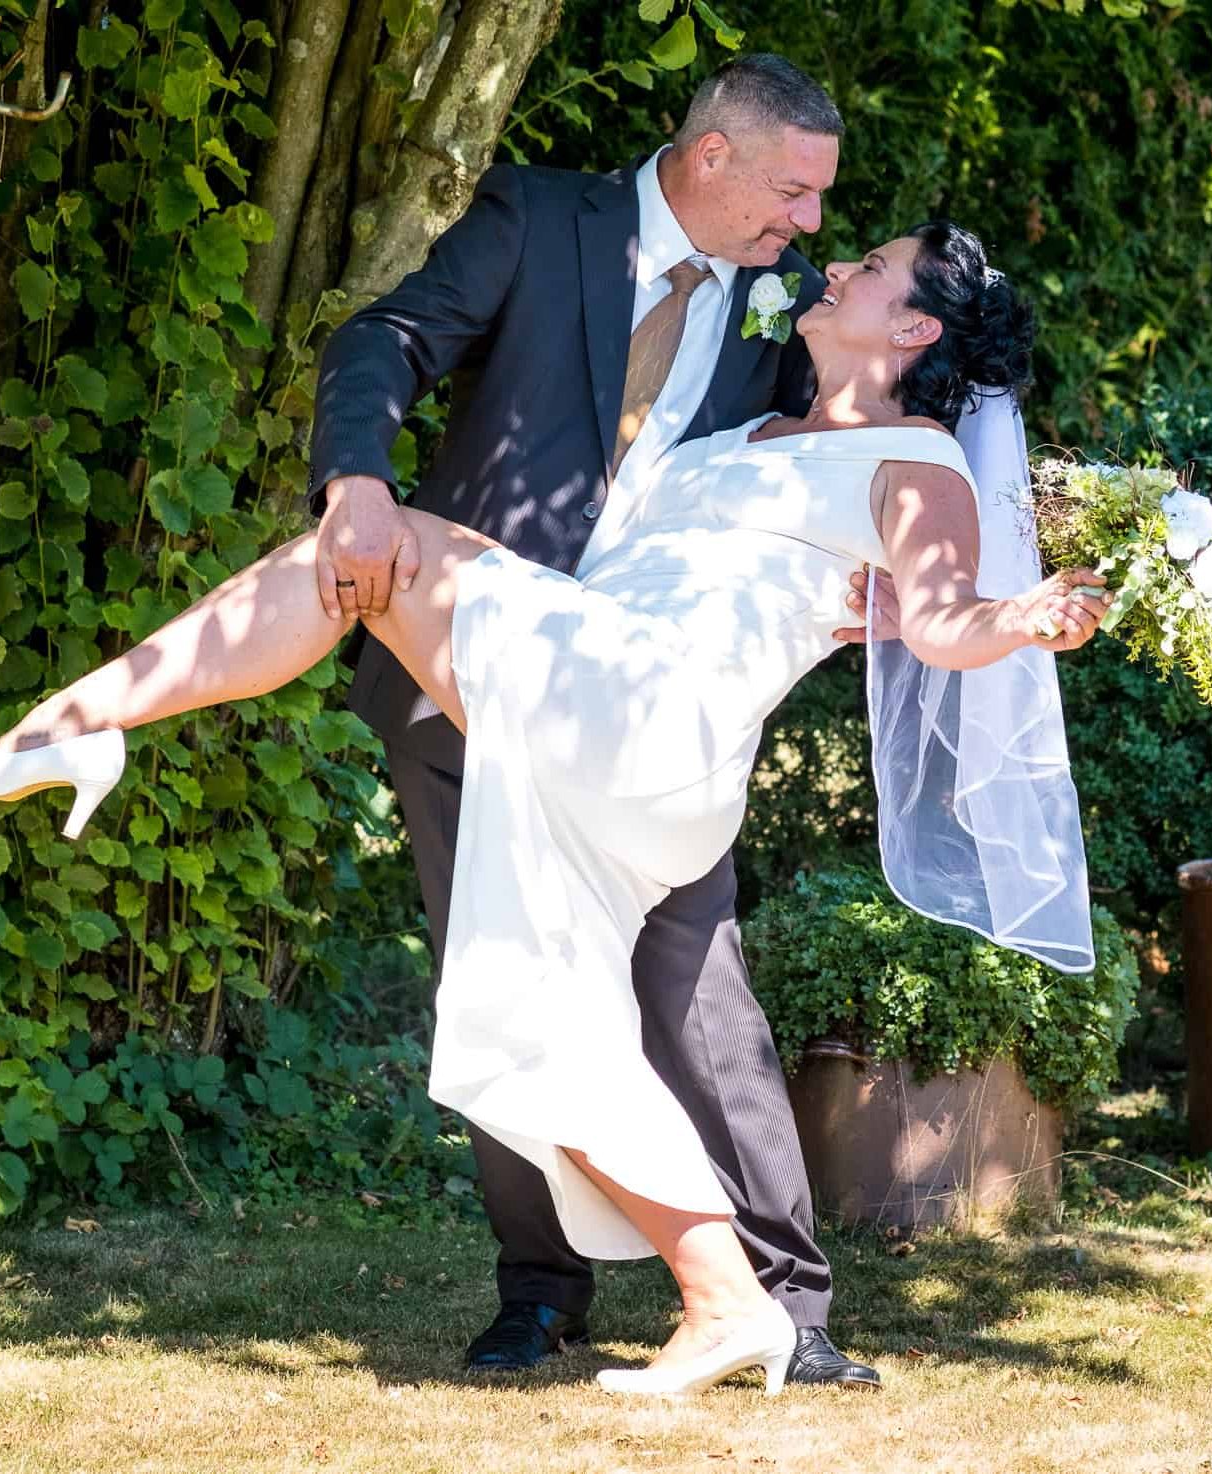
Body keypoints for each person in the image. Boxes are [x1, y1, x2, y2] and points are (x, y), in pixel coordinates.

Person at [0, 220, 1108, 1398]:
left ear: (914, 327)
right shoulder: (748, 427)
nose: (840, 262)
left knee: (374, 545)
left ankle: (73, 729)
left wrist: (1024, 618)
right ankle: (722, 1301)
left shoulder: (917, 461)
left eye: (874, 267)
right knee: (523, 1007)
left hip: (659, 714)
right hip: (604, 709)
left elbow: (951, 617)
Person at [305, 51, 881, 1386]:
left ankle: (784, 1305)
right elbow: (383, 336)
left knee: (696, 985)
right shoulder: (538, 219)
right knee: (500, 970)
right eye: (794, 192)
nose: (808, 225)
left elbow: (849, 447)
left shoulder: (793, 305)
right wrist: (358, 484)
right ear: (713, 155)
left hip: (651, 702)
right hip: (470, 674)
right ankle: (541, 1292)